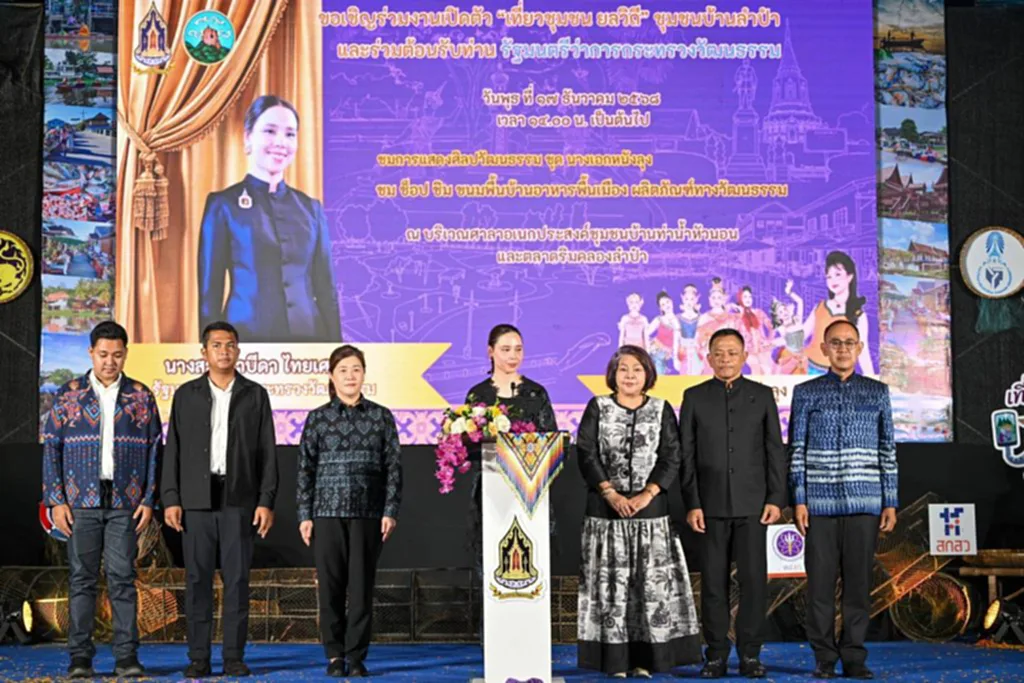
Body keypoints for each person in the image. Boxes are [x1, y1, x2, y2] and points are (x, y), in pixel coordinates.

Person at [41, 321, 162, 679]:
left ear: (126, 354)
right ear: (91, 353)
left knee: (123, 579)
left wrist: (149, 498)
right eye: (104, 354)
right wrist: (56, 500)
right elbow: (52, 448)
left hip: (126, 503)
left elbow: (155, 449)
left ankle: (127, 658)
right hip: (80, 503)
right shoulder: (68, 395)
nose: (111, 361)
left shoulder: (141, 395)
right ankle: (80, 659)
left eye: (118, 355)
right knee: (82, 580)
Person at [160, 321, 278, 678]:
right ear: (204, 352)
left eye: (230, 345)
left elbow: (268, 452)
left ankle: (233, 657)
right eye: (216, 345)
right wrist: (171, 498)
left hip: (239, 500)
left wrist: (266, 500)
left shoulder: (255, 394)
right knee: (197, 580)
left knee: (237, 581)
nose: (224, 351)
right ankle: (198, 657)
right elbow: (173, 449)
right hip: (195, 500)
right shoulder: (186, 394)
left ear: (238, 351)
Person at [576, 345, 701, 678]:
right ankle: (615, 662)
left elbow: (672, 455)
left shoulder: (661, 409)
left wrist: (648, 493)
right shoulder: (598, 407)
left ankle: (647, 660)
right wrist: (610, 493)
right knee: (613, 590)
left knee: (649, 589)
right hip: (606, 514)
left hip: (651, 515)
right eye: (623, 369)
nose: (630, 375)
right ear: (612, 374)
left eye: (637, 369)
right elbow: (586, 453)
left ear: (648, 374)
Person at [789, 320, 898, 680]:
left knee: (858, 587)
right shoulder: (806, 392)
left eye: (849, 343)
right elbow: (797, 450)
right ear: (824, 348)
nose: (842, 349)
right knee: (819, 588)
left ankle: (854, 656)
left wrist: (890, 501)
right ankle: (824, 657)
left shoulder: (877, 392)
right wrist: (799, 500)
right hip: (818, 507)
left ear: (860, 348)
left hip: (866, 503)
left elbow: (887, 449)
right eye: (835, 343)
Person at [678, 329, 787, 679]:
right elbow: (686, 455)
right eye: (719, 353)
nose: (725, 359)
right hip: (708, 507)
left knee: (754, 583)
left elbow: (774, 450)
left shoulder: (762, 395)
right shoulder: (694, 397)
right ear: (708, 357)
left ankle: (750, 654)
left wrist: (776, 498)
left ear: (744, 356)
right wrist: (692, 502)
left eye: (732, 352)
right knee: (713, 584)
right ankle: (716, 655)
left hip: (754, 505)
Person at [197, 94, 341, 343]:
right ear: (248, 137)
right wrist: (211, 350)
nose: (281, 142)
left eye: (290, 134)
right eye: (270, 131)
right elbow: (210, 296)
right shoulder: (222, 205)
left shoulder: (311, 209)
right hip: (245, 341)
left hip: (310, 342)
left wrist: (338, 351)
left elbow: (327, 292)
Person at [297, 345, 403, 678]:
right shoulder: (318, 418)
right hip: (325, 513)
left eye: (356, 369)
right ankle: (334, 656)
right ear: (331, 376)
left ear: (364, 374)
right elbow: (305, 469)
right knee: (330, 588)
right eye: (343, 370)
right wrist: (304, 514)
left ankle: (356, 656)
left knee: (361, 588)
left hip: (368, 513)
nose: (350, 376)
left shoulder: (381, 416)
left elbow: (393, 467)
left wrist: (390, 510)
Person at [464, 324, 557, 637]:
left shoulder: (536, 394)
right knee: (490, 561)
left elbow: (551, 444)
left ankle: (531, 637)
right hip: (491, 493)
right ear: (490, 352)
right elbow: (468, 445)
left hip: (531, 494)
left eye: (518, 349)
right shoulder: (479, 395)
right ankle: (494, 638)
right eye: (505, 349)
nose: (513, 355)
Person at [803, 251, 874, 375]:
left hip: (836, 375)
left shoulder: (858, 315)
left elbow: (863, 352)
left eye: (837, 274)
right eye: (829, 277)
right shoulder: (820, 307)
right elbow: (802, 334)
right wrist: (776, 341)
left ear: (850, 277)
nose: (833, 280)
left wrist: (872, 381)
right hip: (807, 367)